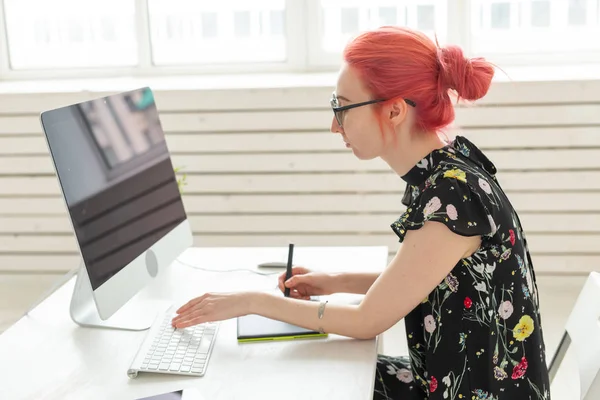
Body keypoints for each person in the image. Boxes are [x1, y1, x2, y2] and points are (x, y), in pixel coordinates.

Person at [172, 25, 551, 400]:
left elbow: (366, 321)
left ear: (395, 111)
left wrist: (253, 302)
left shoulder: (451, 197)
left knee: (297, 379)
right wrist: (333, 280)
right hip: (449, 383)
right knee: (303, 371)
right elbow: (427, 277)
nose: (334, 126)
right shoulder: (447, 169)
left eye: (343, 108)